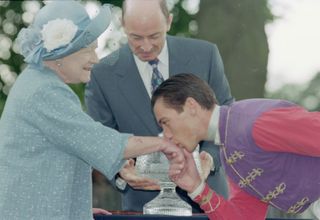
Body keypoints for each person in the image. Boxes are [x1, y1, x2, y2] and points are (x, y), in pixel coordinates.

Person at [0, 1, 186, 219]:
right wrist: (164, 143)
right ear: (61, 55)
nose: (95, 60)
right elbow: (99, 141)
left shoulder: (36, 83)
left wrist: (77, 208)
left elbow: (63, 151)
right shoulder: (46, 91)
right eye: (89, 51)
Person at [85, 0, 234, 212]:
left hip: (208, 202)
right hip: (142, 206)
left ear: (169, 22)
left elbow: (226, 117)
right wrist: (120, 170)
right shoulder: (101, 75)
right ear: (122, 24)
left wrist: (208, 160)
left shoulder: (206, 55)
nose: (146, 46)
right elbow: (99, 138)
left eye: (154, 36)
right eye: (135, 37)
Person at [151, 73, 320, 220]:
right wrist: (197, 188)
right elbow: (245, 217)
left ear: (191, 106)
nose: (166, 135)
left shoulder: (254, 123)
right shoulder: (230, 151)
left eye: (165, 122)